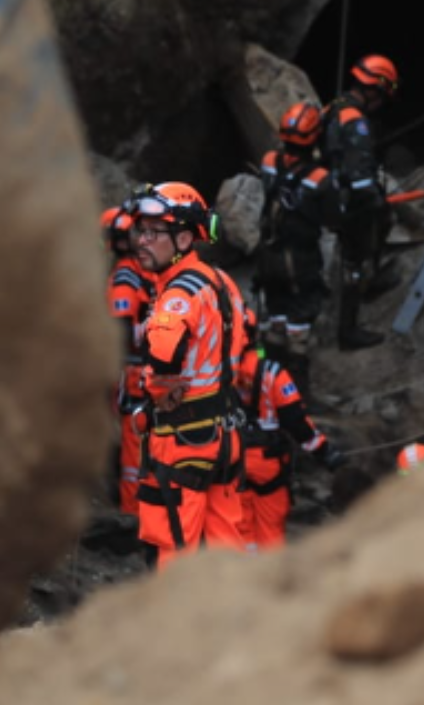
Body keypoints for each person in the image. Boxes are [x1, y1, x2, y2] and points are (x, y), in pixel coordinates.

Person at [127, 182, 250, 569]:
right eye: (141, 231)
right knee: (226, 550)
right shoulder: (221, 281)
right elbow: (244, 343)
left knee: (175, 556)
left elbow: (163, 356)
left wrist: (157, 387)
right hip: (224, 434)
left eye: (154, 232)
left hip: (182, 443)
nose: (142, 240)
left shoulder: (177, 296)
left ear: (183, 238)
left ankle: (177, 611)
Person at [235, 315, 345, 550]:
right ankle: (271, 570)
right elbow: (296, 421)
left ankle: (242, 568)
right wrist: (325, 451)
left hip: (229, 459)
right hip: (267, 462)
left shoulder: (213, 371)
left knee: (237, 527)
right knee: (270, 529)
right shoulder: (272, 373)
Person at [320, 54, 402, 350]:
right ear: (374, 90)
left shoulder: (334, 107)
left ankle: (373, 276)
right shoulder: (355, 122)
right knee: (353, 259)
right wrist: (372, 197)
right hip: (347, 199)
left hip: (332, 190)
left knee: (384, 219)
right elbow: (358, 176)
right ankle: (348, 330)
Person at [255, 100, 335, 388]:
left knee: (275, 319)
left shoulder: (268, 162)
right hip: (299, 260)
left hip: (267, 255)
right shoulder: (320, 179)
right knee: (299, 323)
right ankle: (297, 394)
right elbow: (332, 219)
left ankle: (268, 388)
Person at [102, 205, 155, 516]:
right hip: (132, 370)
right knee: (133, 444)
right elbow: (121, 328)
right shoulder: (126, 277)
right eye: (137, 231)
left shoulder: (138, 271)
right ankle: (131, 511)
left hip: (140, 366)